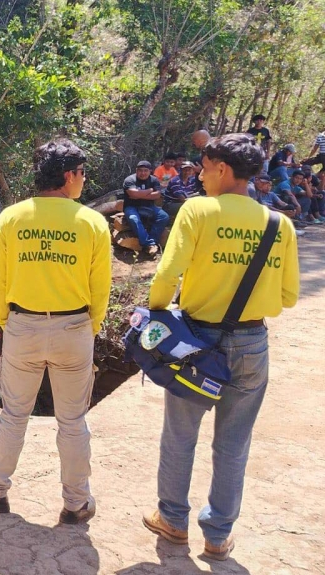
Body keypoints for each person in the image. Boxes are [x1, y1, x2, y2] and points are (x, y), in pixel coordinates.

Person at [144, 133, 299, 562]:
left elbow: (166, 275)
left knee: (180, 435)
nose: (201, 176)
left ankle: (172, 521)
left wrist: (155, 316)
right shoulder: (278, 224)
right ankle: (217, 535)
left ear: (223, 169)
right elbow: (287, 298)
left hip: (196, 343)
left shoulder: (197, 211)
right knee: (233, 443)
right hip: (252, 343)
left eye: (205, 168)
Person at [0, 138, 111, 525]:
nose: (83, 181)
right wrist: (90, 327)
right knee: (73, 422)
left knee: (13, 415)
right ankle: (76, 503)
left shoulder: (12, 218)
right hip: (74, 328)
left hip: (22, 325)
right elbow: (99, 289)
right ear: (69, 176)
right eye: (82, 174)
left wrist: (8, 322)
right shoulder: (92, 223)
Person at [122, 160, 171, 257]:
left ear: (150, 171)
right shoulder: (130, 180)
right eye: (140, 170)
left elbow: (157, 195)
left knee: (164, 216)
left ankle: (152, 241)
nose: (143, 173)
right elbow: (132, 194)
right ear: (136, 170)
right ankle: (148, 244)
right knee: (133, 219)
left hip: (149, 206)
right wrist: (149, 190)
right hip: (132, 206)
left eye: (145, 170)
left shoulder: (154, 180)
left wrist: (139, 194)